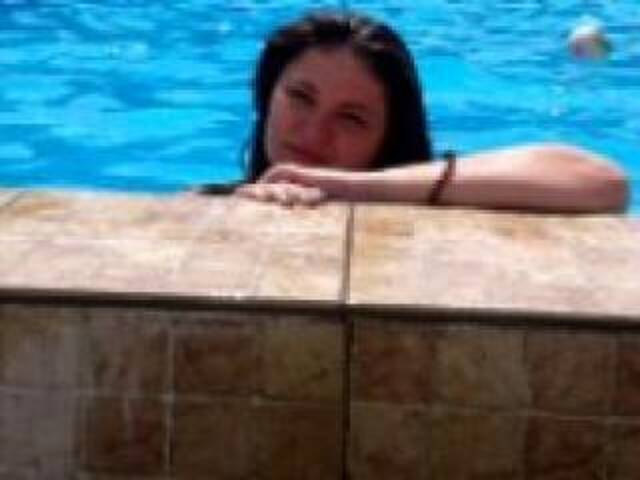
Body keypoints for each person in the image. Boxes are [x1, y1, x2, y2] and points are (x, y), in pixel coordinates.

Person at [200, 10, 629, 212]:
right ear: (266, 97)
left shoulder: (429, 220)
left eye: (351, 118)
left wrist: (343, 187)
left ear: (388, 136)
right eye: (300, 97)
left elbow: (601, 181)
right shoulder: (201, 205)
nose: (314, 132)